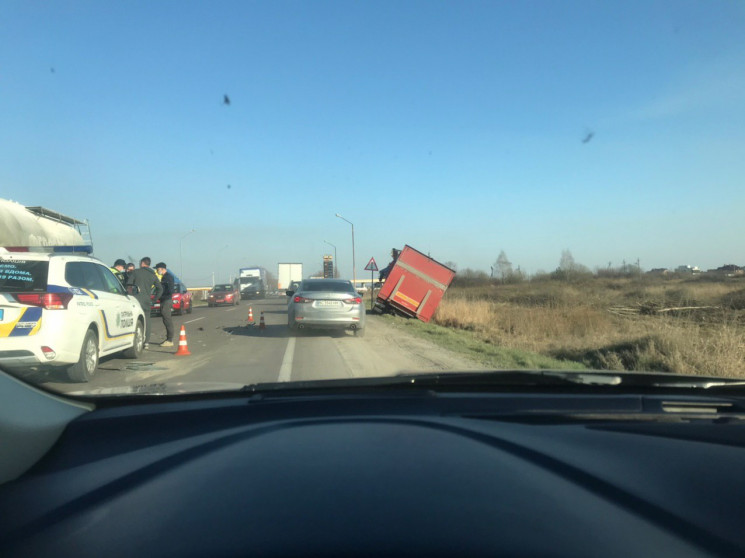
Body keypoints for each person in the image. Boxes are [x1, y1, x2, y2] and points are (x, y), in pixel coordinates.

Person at [126, 257, 163, 348]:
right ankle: (146, 342)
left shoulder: (136, 272)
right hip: (147, 301)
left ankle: (134, 342)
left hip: (136, 301)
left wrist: (130, 297)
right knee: (147, 321)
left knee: (134, 320)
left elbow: (129, 285)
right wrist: (153, 300)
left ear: (142, 263)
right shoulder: (153, 275)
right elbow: (160, 289)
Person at [154, 262, 175, 347]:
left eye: (157, 269)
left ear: (161, 268)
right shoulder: (165, 277)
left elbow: (169, 290)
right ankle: (168, 339)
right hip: (165, 300)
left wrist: (161, 295)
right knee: (165, 319)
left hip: (166, 300)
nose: (156, 270)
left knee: (167, 320)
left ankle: (170, 340)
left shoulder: (167, 277)